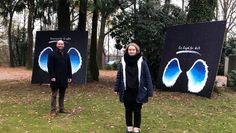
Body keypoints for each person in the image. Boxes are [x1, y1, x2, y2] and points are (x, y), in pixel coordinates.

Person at [114, 43, 153, 133]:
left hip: (139, 90)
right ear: (127, 51)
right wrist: (116, 88)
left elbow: (147, 76)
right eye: (129, 50)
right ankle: (129, 126)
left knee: (137, 109)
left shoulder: (142, 61)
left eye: (133, 50)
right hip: (126, 89)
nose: (131, 51)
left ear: (137, 51)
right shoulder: (123, 61)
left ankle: (136, 127)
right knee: (128, 109)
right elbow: (119, 75)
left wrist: (150, 91)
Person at [48, 40, 72, 116]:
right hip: (55, 78)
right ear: (56, 45)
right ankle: (53, 111)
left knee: (62, 95)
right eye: (59, 44)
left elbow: (69, 66)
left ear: (63, 45)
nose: (60, 45)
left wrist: (70, 76)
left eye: (61, 44)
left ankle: (61, 109)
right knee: (54, 95)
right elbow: (50, 66)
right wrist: (52, 76)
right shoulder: (52, 54)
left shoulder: (67, 54)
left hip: (64, 78)